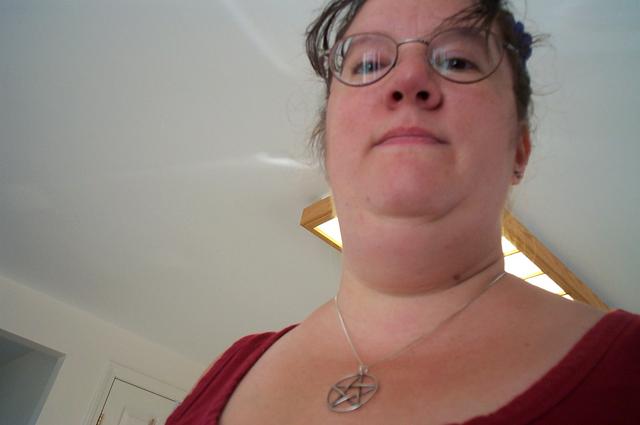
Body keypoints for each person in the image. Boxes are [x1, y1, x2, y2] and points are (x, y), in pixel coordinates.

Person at [167, 0, 640, 423]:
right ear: (327, 142)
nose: (409, 80)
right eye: (368, 63)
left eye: (458, 61)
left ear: (519, 149)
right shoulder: (233, 364)